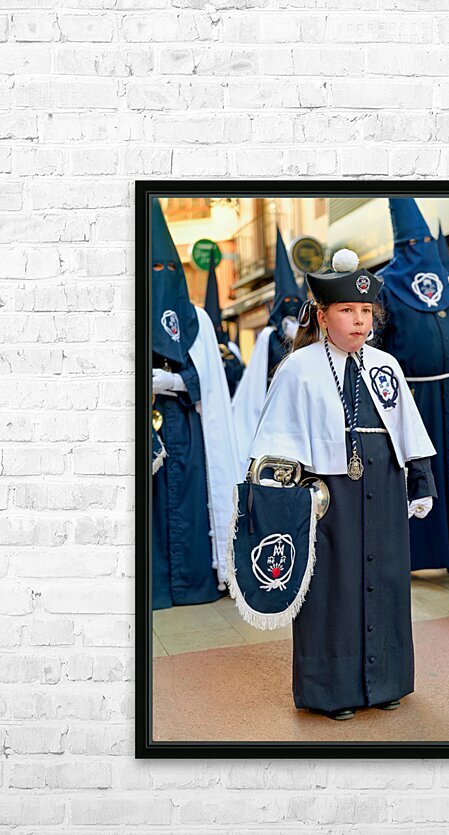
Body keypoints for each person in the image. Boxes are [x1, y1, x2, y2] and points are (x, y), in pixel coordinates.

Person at [248, 248, 437, 721]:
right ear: (322, 316)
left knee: (386, 581)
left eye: (366, 312)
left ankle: (388, 682)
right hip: (328, 498)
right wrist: (277, 502)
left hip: (385, 491)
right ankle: (331, 690)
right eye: (347, 310)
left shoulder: (386, 365)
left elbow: (409, 431)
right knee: (333, 590)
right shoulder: (299, 368)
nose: (359, 321)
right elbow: (276, 445)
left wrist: (421, 481)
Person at [377, 198, 449, 579]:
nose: (421, 249)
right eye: (413, 244)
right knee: (418, 477)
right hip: (412, 400)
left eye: (425, 243)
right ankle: (410, 559)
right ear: (400, 246)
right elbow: (375, 348)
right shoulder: (384, 289)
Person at [150, 199, 242, 609]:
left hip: (188, 428)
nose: (163, 275)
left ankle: (192, 583)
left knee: (189, 504)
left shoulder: (199, 320)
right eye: (154, 268)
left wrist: (175, 381)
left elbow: (211, 380)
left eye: (169, 267)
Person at [232, 228, 304, 469]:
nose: (291, 306)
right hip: (273, 399)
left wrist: (300, 336)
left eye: (295, 302)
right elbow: (256, 377)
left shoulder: (307, 336)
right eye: (286, 302)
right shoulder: (268, 336)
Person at [203, 259, 244, 398]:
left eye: (219, 327)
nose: (217, 330)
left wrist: (226, 363)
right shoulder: (201, 350)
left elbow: (239, 374)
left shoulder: (231, 349)